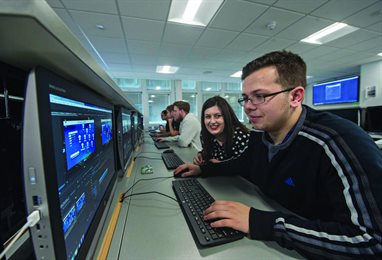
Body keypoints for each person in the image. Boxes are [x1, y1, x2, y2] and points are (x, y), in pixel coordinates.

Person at [174, 50, 382, 258]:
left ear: (295, 96)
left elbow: (371, 242)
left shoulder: (339, 141)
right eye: (245, 98)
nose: (247, 107)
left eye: (260, 96)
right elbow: (241, 165)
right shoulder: (261, 136)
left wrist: (259, 222)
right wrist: (203, 169)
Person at [193, 96, 250, 165]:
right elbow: (208, 153)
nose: (212, 121)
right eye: (208, 117)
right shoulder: (205, 134)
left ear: (226, 117)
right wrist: (201, 155)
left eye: (217, 116)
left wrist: (222, 166)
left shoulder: (241, 136)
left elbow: (247, 167)